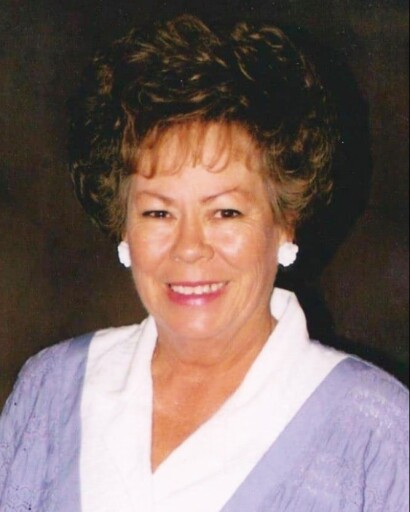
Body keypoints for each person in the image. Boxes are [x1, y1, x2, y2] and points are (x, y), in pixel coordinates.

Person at [0, 14, 408, 512]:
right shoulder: (52, 390)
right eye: (158, 212)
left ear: (285, 223)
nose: (189, 247)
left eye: (225, 212)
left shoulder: (373, 432)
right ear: (123, 226)